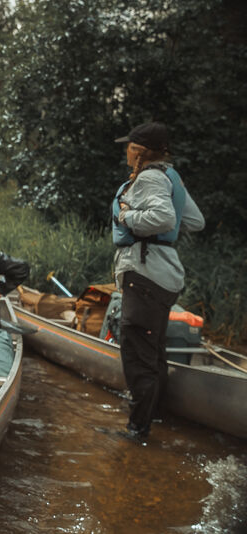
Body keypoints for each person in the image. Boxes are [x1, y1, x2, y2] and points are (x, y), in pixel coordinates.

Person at [112, 121, 205, 443]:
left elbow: (164, 219)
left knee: (137, 355)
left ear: (138, 151)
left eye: (129, 145)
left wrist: (128, 217)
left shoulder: (150, 177)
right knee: (153, 353)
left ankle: (137, 431)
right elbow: (193, 220)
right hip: (164, 276)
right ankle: (152, 419)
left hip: (146, 275)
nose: (125, 150)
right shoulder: (170, 177)